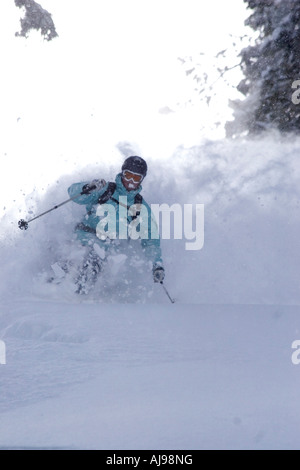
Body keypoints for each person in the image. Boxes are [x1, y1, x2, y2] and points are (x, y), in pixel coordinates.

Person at [67, 156, 165, 294]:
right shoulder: (106, 189)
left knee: (94, 260)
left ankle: (75, 297)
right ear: (122, 173)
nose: (130, 182)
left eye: (136, 178)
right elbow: (73, 194)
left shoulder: (140, 207)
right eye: (128, 175)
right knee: (67, 260)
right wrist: (88, 187)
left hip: (106, 248)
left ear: (141, 180)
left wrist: (156, 264)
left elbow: (150, 240)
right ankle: (47, 285)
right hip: (84, 235)